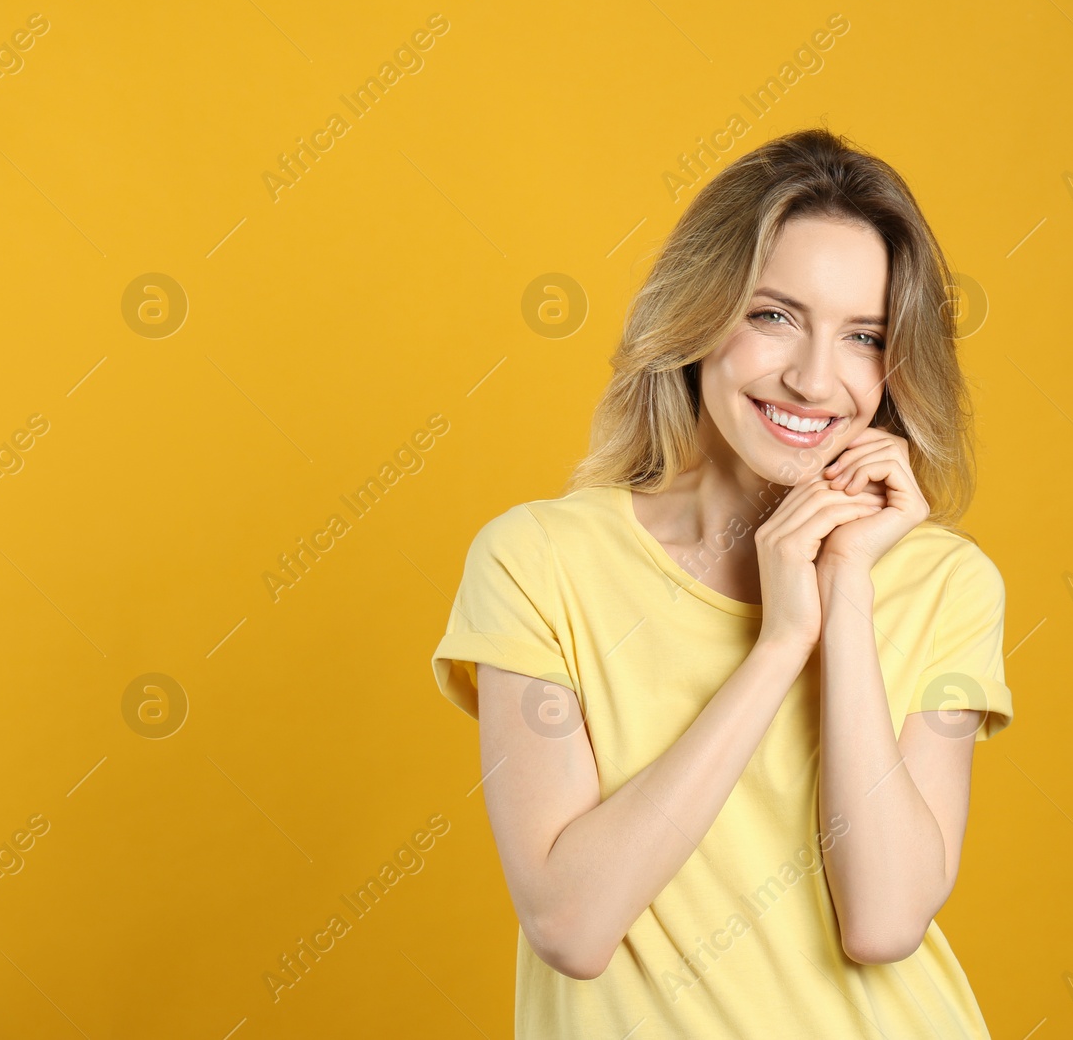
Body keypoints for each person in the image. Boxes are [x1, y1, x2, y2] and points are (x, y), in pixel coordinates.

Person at [430, 127, 1013, 1038]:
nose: (815, 378)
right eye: (774, 314)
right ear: (698, 314)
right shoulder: (537, 563)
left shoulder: (943, 583)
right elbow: (571, 924)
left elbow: (885, 920)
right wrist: (780, 644)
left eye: (863, 336)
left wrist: (844, 591)